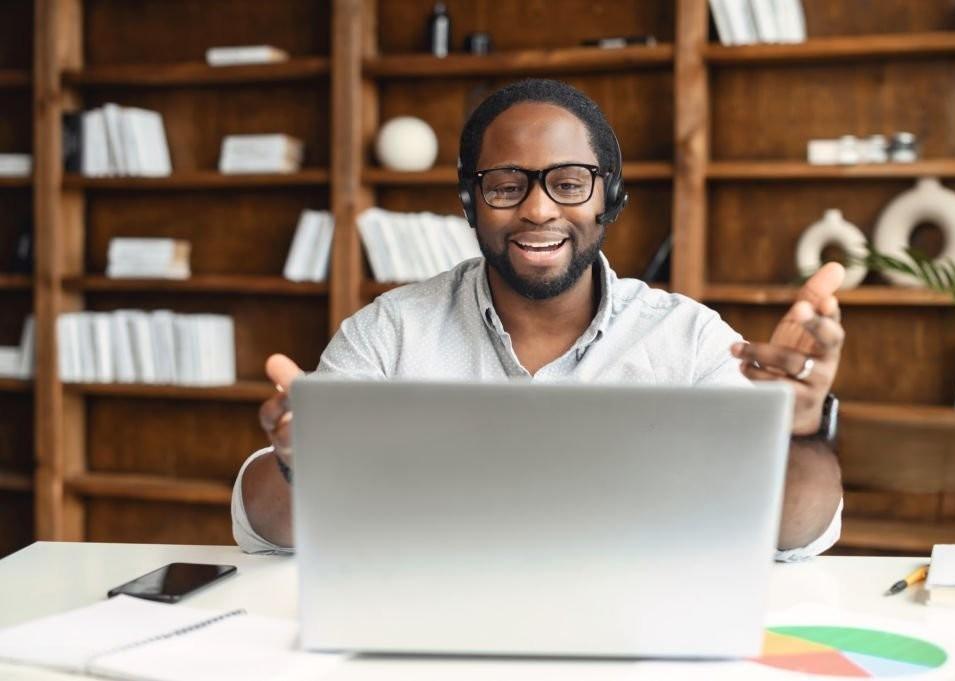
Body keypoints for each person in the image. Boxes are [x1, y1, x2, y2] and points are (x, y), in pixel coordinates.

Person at [232, 79, 845, 560]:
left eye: (569, 183)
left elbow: (790, 533)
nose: (538, 209)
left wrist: (802, 430)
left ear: (611, 198)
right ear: (470, 203)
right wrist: (298, 468)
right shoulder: (390, 332)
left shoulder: (688, 339)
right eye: (504, 186)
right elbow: (269, 531)